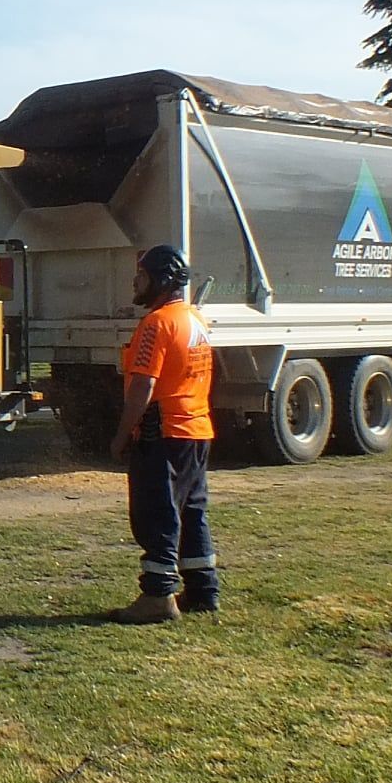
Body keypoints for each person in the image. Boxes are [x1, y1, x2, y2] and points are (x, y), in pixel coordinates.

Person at [108, 244, 218, 623]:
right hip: (196, 430)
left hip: (164, 434)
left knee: (157, 515)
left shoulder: (157, 324)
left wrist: (123, 434)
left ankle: (158, 597)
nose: (135, 282)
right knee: (191, 512)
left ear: (161, 280)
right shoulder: (194, 319)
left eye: (141, 276)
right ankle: (203, 589)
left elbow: (143, 386)